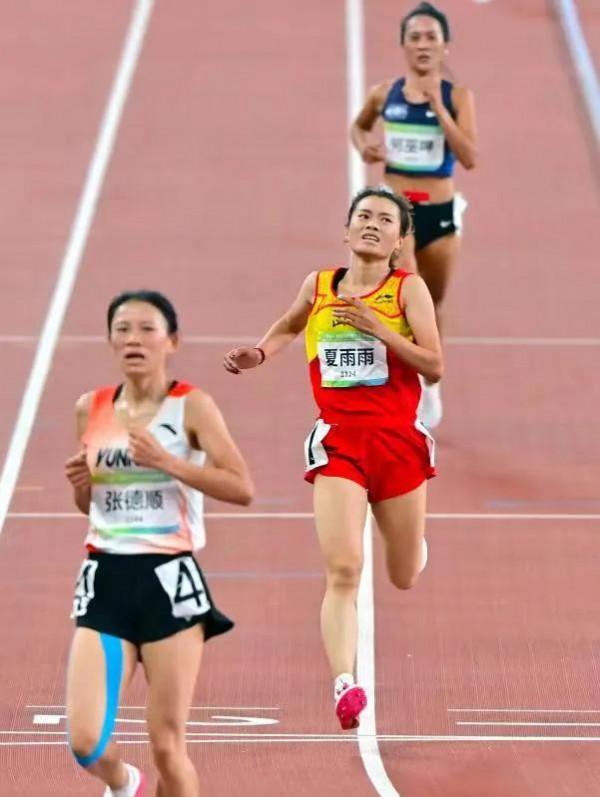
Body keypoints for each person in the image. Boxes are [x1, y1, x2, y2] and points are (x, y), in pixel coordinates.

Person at [224, 187, 442, 731]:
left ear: (398, 240)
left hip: (397, 444)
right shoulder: (319, 286)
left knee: (404, 574)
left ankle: (414, 548)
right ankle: (344, 683)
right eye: (362, 216)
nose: (371, 224)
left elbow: (434, 366)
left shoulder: (407, 289)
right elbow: (291, 325)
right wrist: (260, 352)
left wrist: (380, 330)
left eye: (384, 219)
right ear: (346, 232)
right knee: (343, 569)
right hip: (340, 441)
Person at [64, 290, 254, 797]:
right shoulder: (92, 409)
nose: (133, 339)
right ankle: (124, 784)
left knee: (168, 746)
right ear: (109, 339)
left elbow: (241, 487)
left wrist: (167, 462)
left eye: (147, 329)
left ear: (172, 340)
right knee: (85, 739)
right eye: (122, 328)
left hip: (168, 581)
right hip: (105, 579)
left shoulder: (191, 406)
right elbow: (91, 506)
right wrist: (82, 486)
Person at [350, 1, 477, 428]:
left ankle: (432, 385)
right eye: (415, 37)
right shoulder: (385, 93)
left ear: (445, 46)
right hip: (396, 213)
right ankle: (407, 381)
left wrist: (440, 110)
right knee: (409, 288)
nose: (423, 44)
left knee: (434, 303)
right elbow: (358, 126)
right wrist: (364, 145)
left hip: (440, 211)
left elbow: (470, 157)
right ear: (404, 45)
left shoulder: (458, 97)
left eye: (431, 37)